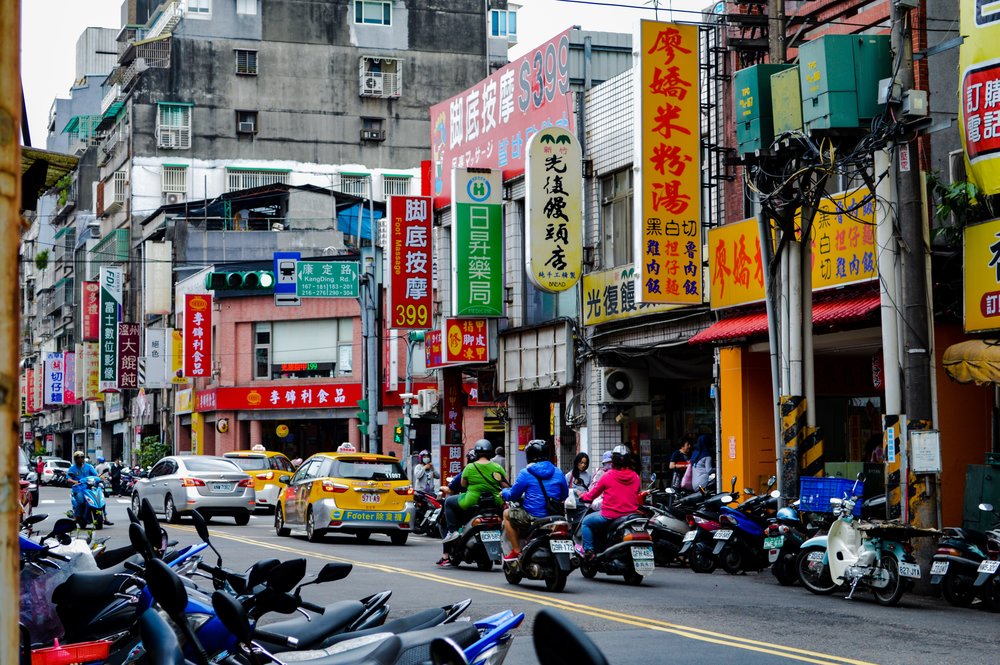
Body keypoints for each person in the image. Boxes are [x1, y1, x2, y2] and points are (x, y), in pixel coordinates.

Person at [437, 440, 508, 567]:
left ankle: (452, 531)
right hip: (495, 502)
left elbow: (463, 484)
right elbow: (504, 485)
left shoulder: (470, 467)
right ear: (490, 452)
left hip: (472, 501)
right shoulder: (497, 467)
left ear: (476, 453)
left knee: (448, 502)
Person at [500, 439, 568, 562]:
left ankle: (516, 550)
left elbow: (512, 495)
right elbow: (564, 495)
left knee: (506, 514)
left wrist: (503, 493)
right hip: (554, 516)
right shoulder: (558, 472)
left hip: (533, 517)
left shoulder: (525, 473)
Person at [579, 445, 640, 559]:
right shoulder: (636, 477)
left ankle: (589, 552)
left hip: (609, 516)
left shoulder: (607, 476)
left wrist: (583, 497)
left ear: (613, 461)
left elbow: (592, 494)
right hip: (631, 516)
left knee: (586, 522)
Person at [67, 450, 112, 524]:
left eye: (82, 457)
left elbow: (96, 475)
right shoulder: (72, 468)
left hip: (90, 487)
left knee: (101, 500)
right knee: (81, 502)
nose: (81, 459)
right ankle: (76, 517)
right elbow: (68, 478)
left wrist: (101, 478)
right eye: (79, 457)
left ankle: (105, 517)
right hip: (79, 489)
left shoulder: (89, 467)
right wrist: (74, 481)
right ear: (75, 459)